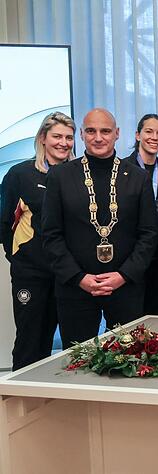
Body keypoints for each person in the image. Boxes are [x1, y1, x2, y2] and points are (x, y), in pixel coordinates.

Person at [42, 108, 157, 348]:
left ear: (117, 134)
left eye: (105, 131)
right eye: (91, 131)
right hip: (76, 287)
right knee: (76, 362)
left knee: (130, 359)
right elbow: (52, 235)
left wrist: (123, 275)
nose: (98, 137)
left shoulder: (138, 177)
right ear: (82, 135)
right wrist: (79, 277)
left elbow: (148, 234)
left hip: (125, 287)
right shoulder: (60, 176)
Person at [1, 112, 74, 370]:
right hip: (31, 275)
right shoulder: (19, 175)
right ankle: (22, 401)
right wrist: (22, 258)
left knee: (72, 345)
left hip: (68, 275)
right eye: (57, 136)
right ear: (43, 138)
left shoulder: (77, 178)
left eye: (68, 137)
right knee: (31, 341)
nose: (63, 143)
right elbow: (5, 223)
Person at [127, 114, 158, 315]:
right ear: (138, 135)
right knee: (128, 326)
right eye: (149, 131)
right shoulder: (120, 171)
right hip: (129, 261)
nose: (155, 137)